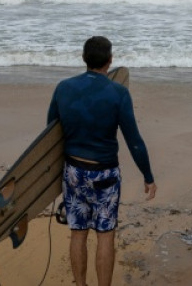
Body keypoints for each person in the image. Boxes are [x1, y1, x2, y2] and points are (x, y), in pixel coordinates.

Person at [47, 36, 156, 286]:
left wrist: (52, 176)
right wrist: (148, 176)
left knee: (78, 232)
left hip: (73, 171)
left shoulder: (63, 87)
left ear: (84, 58)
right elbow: (134, 140)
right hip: (104, 175)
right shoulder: (118, 93)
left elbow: (50, 134)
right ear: (110, 60)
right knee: (105, 234)